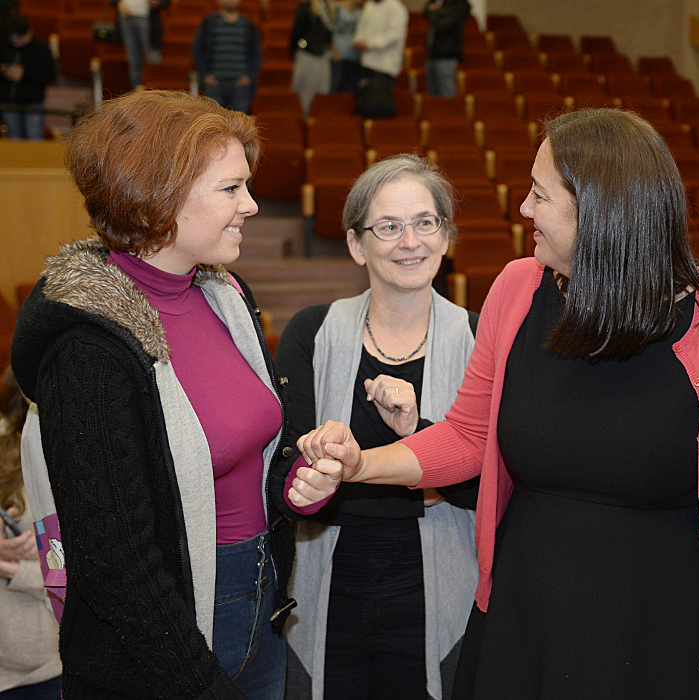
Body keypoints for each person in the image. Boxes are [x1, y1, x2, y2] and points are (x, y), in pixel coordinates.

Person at [289, 108, 699, 699]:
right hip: (525, 613)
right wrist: (364, 463)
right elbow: (468, 435)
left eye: (540, 195)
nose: (523, 208)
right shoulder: (519, 288)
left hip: (660, 628)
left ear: (599, 210)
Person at [8, 90, 299, 700]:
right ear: (160, 195)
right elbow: (119, 568)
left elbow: (250, 450)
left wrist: (303, 472)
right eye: (231, 189)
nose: (250, 206)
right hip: (161, 654)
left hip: (257, 610)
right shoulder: (87, 347)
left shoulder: (224, 295)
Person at [277, 155, 480, 700]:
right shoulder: (312, 333)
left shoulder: (480, 340)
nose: (409, 241)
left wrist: (414, 432)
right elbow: (288, 481)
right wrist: (426, 490)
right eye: (388, 227)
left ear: (446, 235)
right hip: (327, 593)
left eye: (425, 222)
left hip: (440, 595)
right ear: (355, 244)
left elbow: (486, 487)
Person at [0, 367, 61, 700]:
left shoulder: (72, 457)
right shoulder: (5, 449)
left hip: (51, 657)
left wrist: (10, 568)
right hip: (6, 660)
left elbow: (73, 574)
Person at [192, 0, 262, 114]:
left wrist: (250, 77)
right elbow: (196, 51)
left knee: (240, 127)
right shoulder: (209, 23)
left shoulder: (248, 25)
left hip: (241, 87)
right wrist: (205, 75)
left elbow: (256, 55)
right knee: (214, 125)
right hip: (214, 85)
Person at [0, 15, 54, 141]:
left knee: (34, 137)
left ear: (29, 32)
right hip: (9, 103)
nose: (17, 42)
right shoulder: (4, 49)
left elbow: (50, 75)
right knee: (13, 139)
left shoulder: (41, 50)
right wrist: (5, 72)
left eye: (20, 38)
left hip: (33, 102)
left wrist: (25, 74)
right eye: (13, 39)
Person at [290, 0, 335, 116]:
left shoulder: (330, 8)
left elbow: (329, 36)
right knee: (305, 95)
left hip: (323, 56)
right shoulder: (306, 7)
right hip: (308, 55)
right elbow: (297, 32)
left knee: (322, 93)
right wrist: (294, 50)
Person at [352, 0, 406, 96]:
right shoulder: (370, 4)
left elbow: (394, 34)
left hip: (384, 65)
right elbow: (362, 25)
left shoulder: (396, 7)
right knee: (362, 98)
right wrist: (358, 39)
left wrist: (370, 44)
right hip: (366, 61)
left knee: (376, 104)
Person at [423, 0, 469, 97]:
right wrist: (436, 11)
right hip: (432, 55)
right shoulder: (440, 2)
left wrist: (435, 11)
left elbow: (443, 25)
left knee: (447, 97)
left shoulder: (459, 5)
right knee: (433, 100)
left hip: (447, 56)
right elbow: (426, 11)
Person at [114, 0, 162, 88]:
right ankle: (136, 90)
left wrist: (156, 3)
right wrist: (118, 3)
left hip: (147, 17)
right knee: (133, 58)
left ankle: (156, 91)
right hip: (126, 17)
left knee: (152, 55)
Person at [329, 0, 364, 94]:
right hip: (336, 59)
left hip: (353, 59)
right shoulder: (335, 9)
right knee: (334, 89)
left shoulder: (359, 14)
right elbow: (327, 31)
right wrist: (335, 52)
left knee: (349, 92)